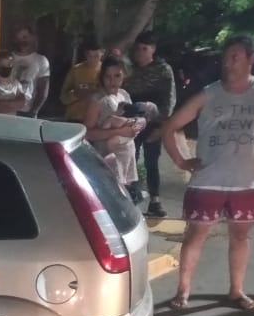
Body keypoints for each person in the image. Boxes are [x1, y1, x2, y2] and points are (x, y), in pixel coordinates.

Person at [161, 35, 254, 312]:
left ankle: (236, 290)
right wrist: (181, 161)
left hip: (247, 181)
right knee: (196, 235)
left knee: (241, 236)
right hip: (208, 181)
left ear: (251, 58)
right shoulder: (210, 93)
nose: (228, 62)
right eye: (226, 57)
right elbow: (171, 125)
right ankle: (183, 291)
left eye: (235, 56)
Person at [125, 31, 177, 218]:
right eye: (138, 49)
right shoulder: (129, 69)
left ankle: (155, 200)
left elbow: (169, 99)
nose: (140, 52)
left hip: (154, 120)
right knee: (130, 158)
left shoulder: (163, 70)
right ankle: (130, 197)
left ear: (153, 49)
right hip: (131, 119)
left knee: (151, 161)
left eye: (144, 49)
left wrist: (162, 124)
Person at [83, 56, 146, 201]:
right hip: (107, 155)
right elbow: (87, 133)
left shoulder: (124, 95)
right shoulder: (97, 100)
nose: (112, 81)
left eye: (117, 76)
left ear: (124, 75)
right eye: (108, 76)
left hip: (126, 154)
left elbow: (136, 118)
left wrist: (136, 122)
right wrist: (118, 131)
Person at [11, 25, 51, 117]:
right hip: (6, 110)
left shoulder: (41, 60)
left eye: (25, 37)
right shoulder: (8, 57)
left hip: (27, 111)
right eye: (18, 38)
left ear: (32, 38)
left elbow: (43, 90)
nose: (22, 41)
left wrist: (34, 111)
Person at [60, 38, 103, 122]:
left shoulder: (105, 71)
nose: (92, 59)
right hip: (75, 118)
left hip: (96, 119)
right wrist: (76, 94)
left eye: (96, 56)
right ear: (85, 54)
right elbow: (63, 97)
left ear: (102, 53)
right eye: (89, 56)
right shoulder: (76, 70)